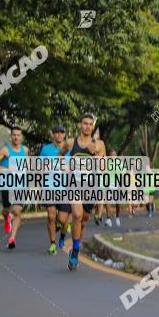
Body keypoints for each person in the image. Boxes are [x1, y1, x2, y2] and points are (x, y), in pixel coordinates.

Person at [60, 113, 106, 270]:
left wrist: (95, 156)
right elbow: (60, 156)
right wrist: (65, 167)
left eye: (90, 124)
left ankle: (76, 245)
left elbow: (103, 166)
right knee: (77, 215)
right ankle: (76, 249)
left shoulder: (99, 144)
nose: (87, 126)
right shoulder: (71, 143)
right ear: (80, 125)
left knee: (84, 219)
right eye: (84, 123)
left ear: (93, 127)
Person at [0, 126, 29, 249]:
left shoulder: (25, 150)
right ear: (11, 137)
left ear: (21, 137)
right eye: (14, 135)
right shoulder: (5, 150)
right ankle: (7, 218)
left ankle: (12, 238)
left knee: (17, 210)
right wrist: (6, 169)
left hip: (21, 185)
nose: (16, 137)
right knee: (6, 210)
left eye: (18, 135)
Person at [38, 125, 72, 255]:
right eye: (56, 133)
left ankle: (61, 234)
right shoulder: (46, 149)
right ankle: (52, 244)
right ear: (53, 135)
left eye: (61, 133)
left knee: (62, 219)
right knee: (51, 216)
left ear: (64, 135)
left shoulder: (69, 150)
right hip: (49, 186)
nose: (59, 135)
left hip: (65, 187)